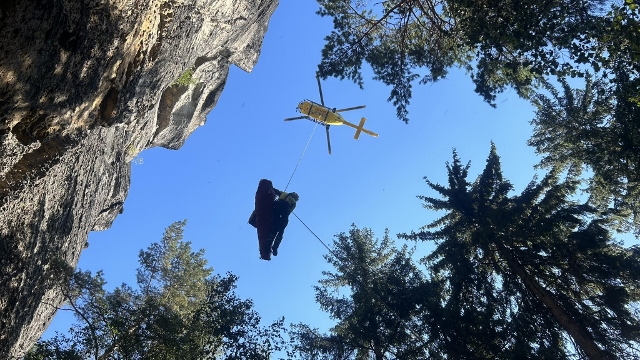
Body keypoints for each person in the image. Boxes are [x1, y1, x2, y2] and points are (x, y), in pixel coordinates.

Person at [269, 189, 298, 256]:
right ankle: (271, 244)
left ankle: (274, 246)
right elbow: (290, 211)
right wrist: (271, 188)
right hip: (282, 209)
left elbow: (276, 191)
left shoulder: (285, 194)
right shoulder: (287, 196)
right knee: (279, 229)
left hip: (279, 208)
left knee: (279, 229)